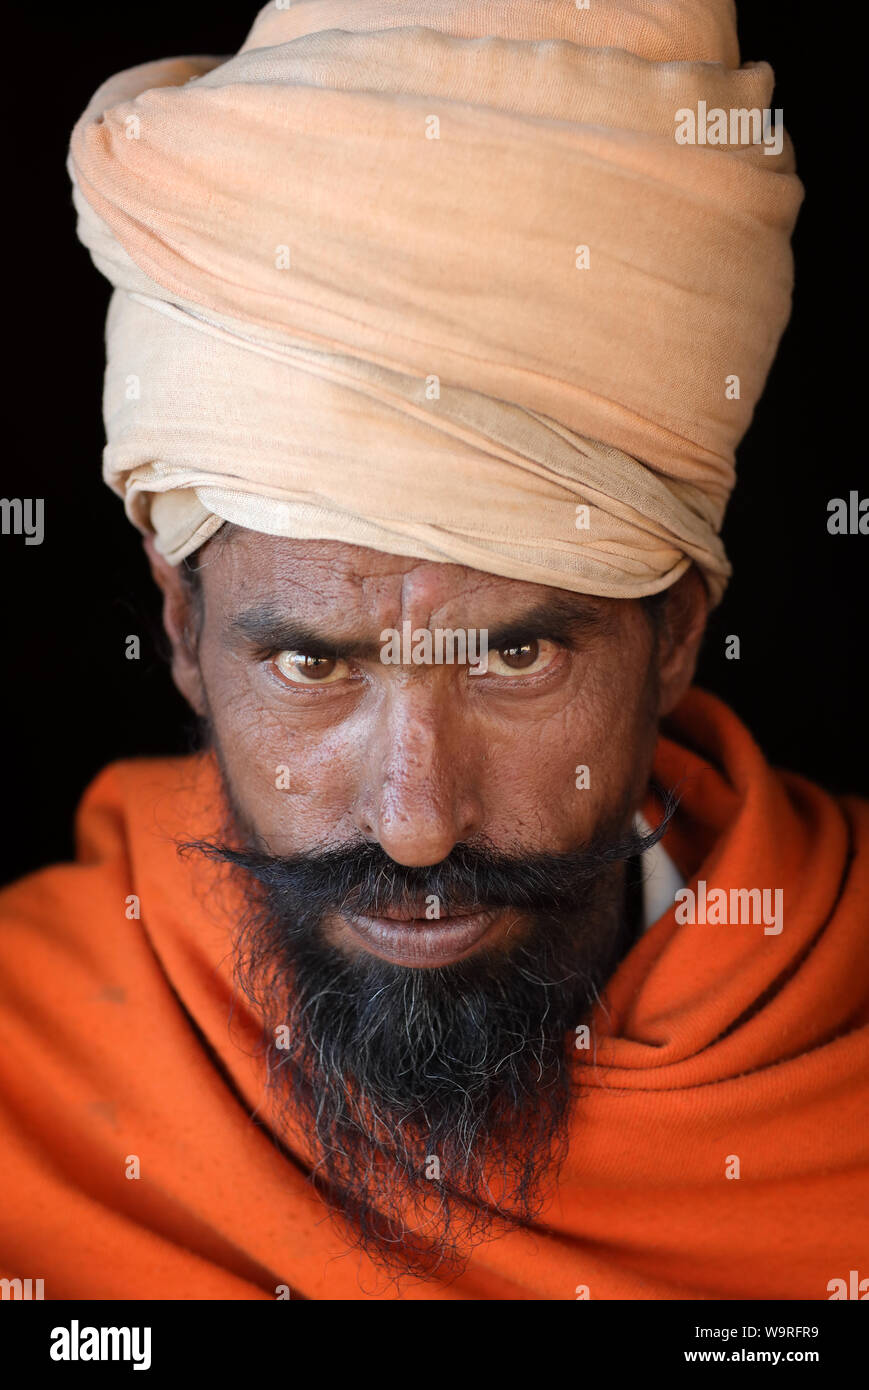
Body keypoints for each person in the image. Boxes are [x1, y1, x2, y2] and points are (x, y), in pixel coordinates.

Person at [1, 0, 866, 1301]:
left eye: (513, 661)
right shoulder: (24, 1056)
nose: (414, 823)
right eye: (311, 665)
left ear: (676, 627)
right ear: (182, 626)